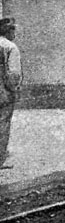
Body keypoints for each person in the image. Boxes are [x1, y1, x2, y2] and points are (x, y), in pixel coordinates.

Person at [0, 18, 21, 169]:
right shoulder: (10, 47)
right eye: (13, 30)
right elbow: (13, 74)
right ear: (8, 31)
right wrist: (13, 90)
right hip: (3, 94)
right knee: (3, 124)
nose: (15, 33)